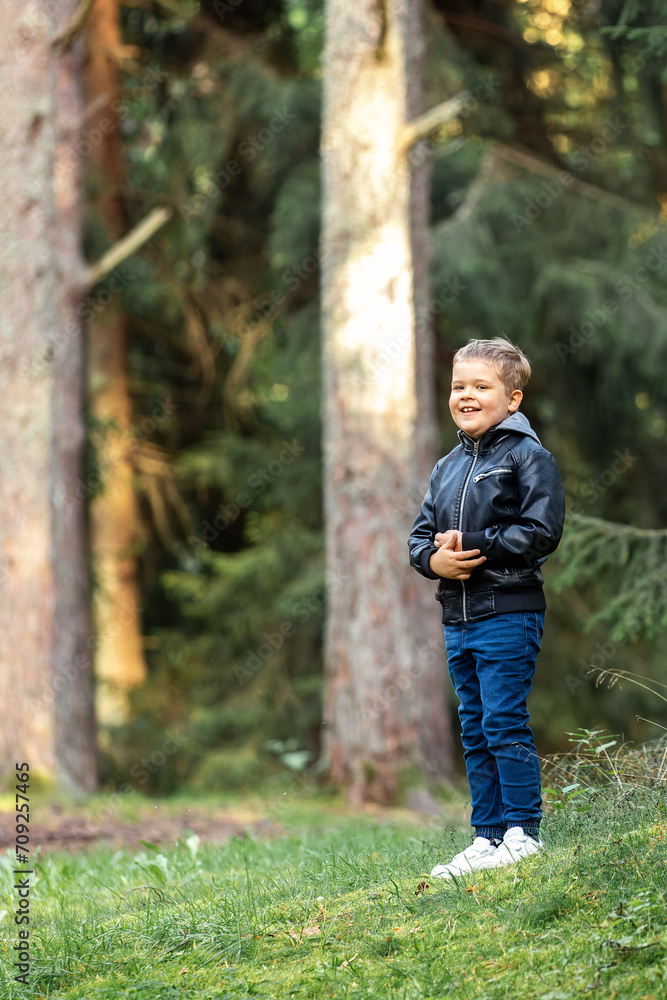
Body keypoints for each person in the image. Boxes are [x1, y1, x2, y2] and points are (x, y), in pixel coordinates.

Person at [408, 337, 565, 877]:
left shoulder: (528, 456)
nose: (466, 396)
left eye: (481, 386)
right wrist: (435, 562)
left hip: (509, 610)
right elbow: (419, 537)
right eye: (458, 387)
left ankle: (523, 831)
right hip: (459, 617)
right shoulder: (446, 466)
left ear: (513, 399)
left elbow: (541, 531)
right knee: (473, 726)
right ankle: (488, 836)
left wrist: (474, 546)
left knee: (503, 720)